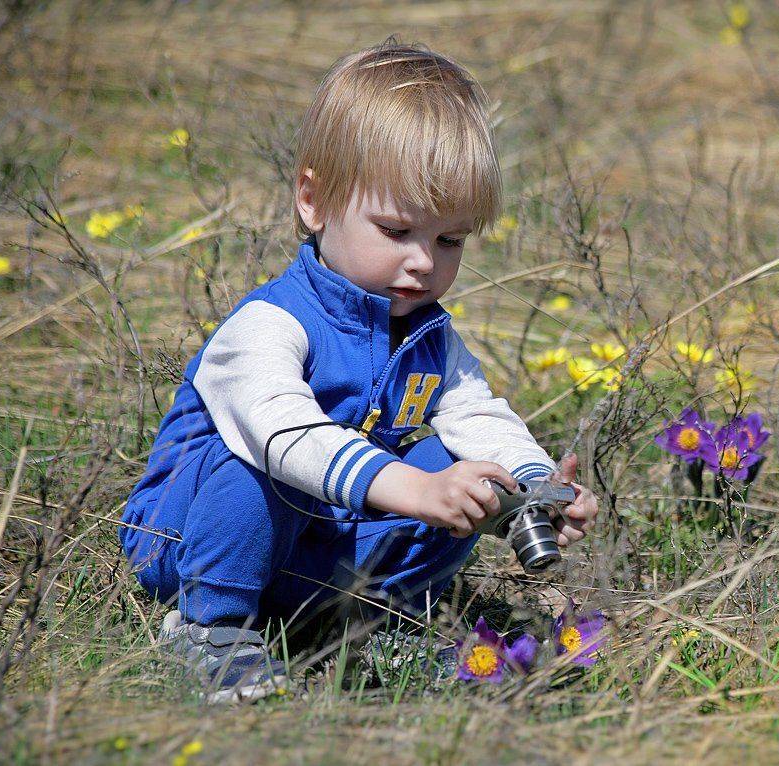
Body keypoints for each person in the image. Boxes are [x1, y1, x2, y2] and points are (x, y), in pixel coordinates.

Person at [118, 40, 599, 704]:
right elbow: (285, 435)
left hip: (319, 543)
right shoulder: (268, 324)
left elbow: (479, 415)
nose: (424, 262)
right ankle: (210, 629)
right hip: (189, 540)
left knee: (455, 462)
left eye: (449, 239)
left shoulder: (428, 334)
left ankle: (376, 623)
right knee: (260, 462)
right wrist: (411, 488)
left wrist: (532, 487)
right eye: (396, 231)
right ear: (314, 201)